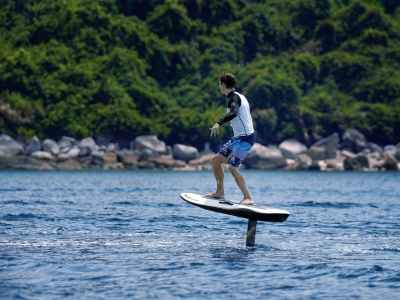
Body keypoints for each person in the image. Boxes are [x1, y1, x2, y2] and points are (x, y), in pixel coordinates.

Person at [206, 72, 256, 205]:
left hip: (245, 138)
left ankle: (248, 198)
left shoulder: (233, 98)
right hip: (237, 138)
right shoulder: (239, 96)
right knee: (217, 160)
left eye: (219, 83)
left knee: (232, 167)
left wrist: (219, 122)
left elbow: (233, 113)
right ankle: (220, 192)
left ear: (222, 84)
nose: (219, 86)